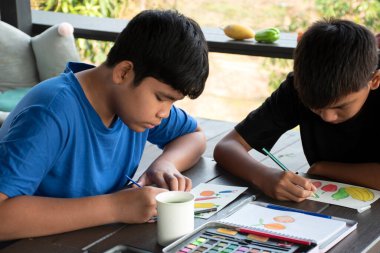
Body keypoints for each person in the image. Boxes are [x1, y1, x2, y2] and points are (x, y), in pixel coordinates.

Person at [0, 9, 209, 240]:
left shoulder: (131, 104)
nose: (165, 113)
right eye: (161, 98)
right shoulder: (50, 113)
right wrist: (115, 207)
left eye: (173, 102)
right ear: (124, 72)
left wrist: (166, 164)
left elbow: (194, 135)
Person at [214, 18, 380, 202]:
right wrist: (263, 176)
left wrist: (323, 169)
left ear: (374, 81)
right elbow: (227, 146)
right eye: (315, 107)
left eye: (340, 106)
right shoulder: (297, 88)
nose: (327, 117)